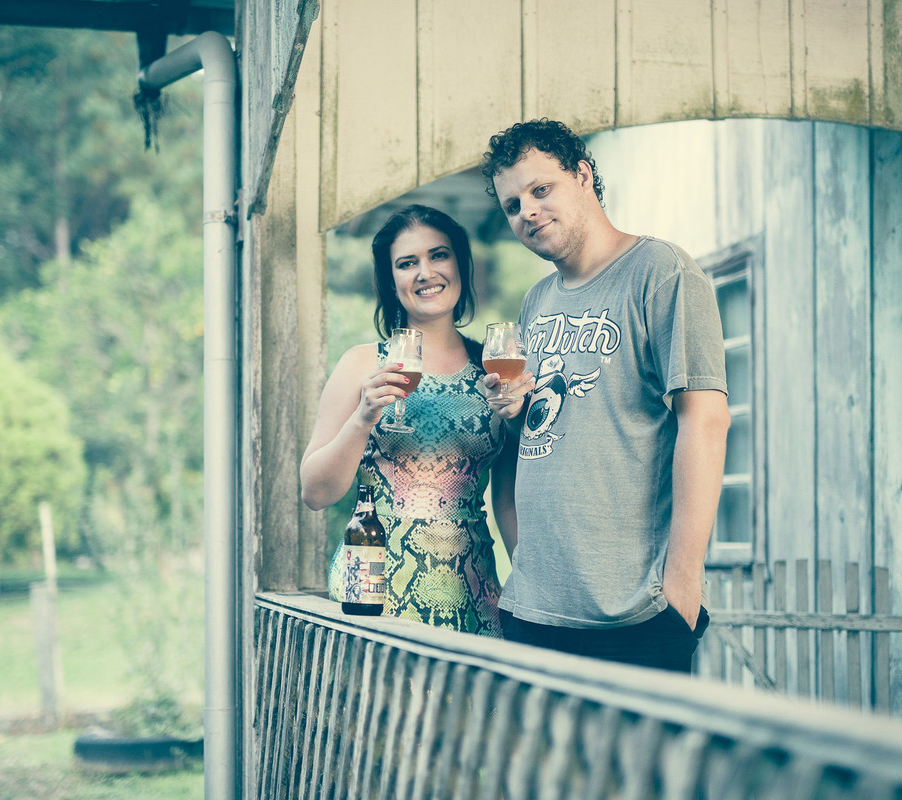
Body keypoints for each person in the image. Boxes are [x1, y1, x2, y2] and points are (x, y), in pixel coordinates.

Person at [480, 119, 730, 672]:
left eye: (540, 190)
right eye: (512, 204)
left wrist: (682, 588)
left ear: (584, 176)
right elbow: (547, 434)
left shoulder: (661, 272)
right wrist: (514, 408)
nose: (527, 212)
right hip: (535, 614)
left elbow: (706, 421)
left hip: (632, 617)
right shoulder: (536, 300)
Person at [301, 204, 506, 637]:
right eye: (407, 263)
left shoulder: (494, 370)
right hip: (374, 600)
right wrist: (361, 419)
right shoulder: (361, 365)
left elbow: (509, 503)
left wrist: (529, 598)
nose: (425, 272)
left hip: (475, 600)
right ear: (391, 282)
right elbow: (315, 493)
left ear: (461, 265)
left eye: (439, 255)